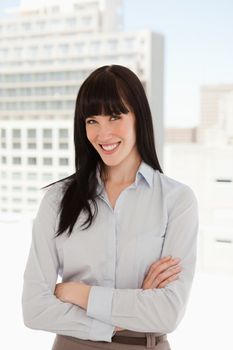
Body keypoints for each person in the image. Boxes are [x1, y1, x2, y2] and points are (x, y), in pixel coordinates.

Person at [22, 65, 199, 350]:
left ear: (138, 117)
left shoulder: (177, 200)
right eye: (92, 120)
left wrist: (79, 293)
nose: (103, 133)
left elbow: (168, 312)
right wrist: (119, 318)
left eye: (115, 116)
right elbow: (34, 308)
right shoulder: (57, 200)